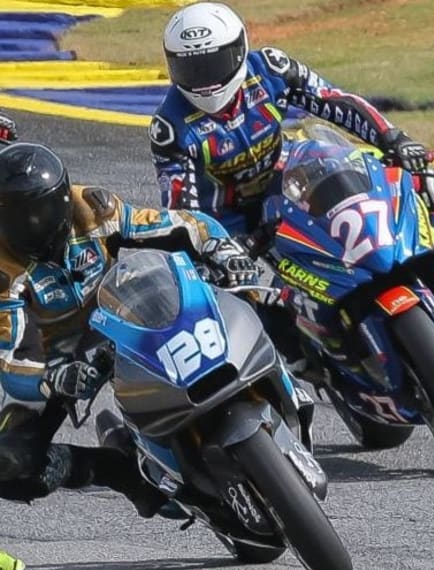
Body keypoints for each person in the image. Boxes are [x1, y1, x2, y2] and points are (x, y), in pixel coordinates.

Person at [149, 1, 434, 331]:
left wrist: (392, 138)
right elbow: (183, 210)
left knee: (412, 180)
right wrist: (214, 247)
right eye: (192, 69)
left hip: (288, 180)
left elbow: (334, 101)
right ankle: (286, 369)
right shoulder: (170, 126)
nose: (205, 81)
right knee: (234, 301)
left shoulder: (271, 69)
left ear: (239, 50)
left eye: (214, 64)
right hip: (229, 221)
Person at [0, 142, 258, 517]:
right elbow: (10, 359)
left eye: (39, 210)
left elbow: (181, 225)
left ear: (60, 198)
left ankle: (274, 377)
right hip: (60, 357)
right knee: (8, 464)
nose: (32, 224)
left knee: (245, 291)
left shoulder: (92, 207)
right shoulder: (4, 269)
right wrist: (52, 380)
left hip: (127, 312)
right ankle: (121, 470)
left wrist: (221, 247)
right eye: (16, 215)